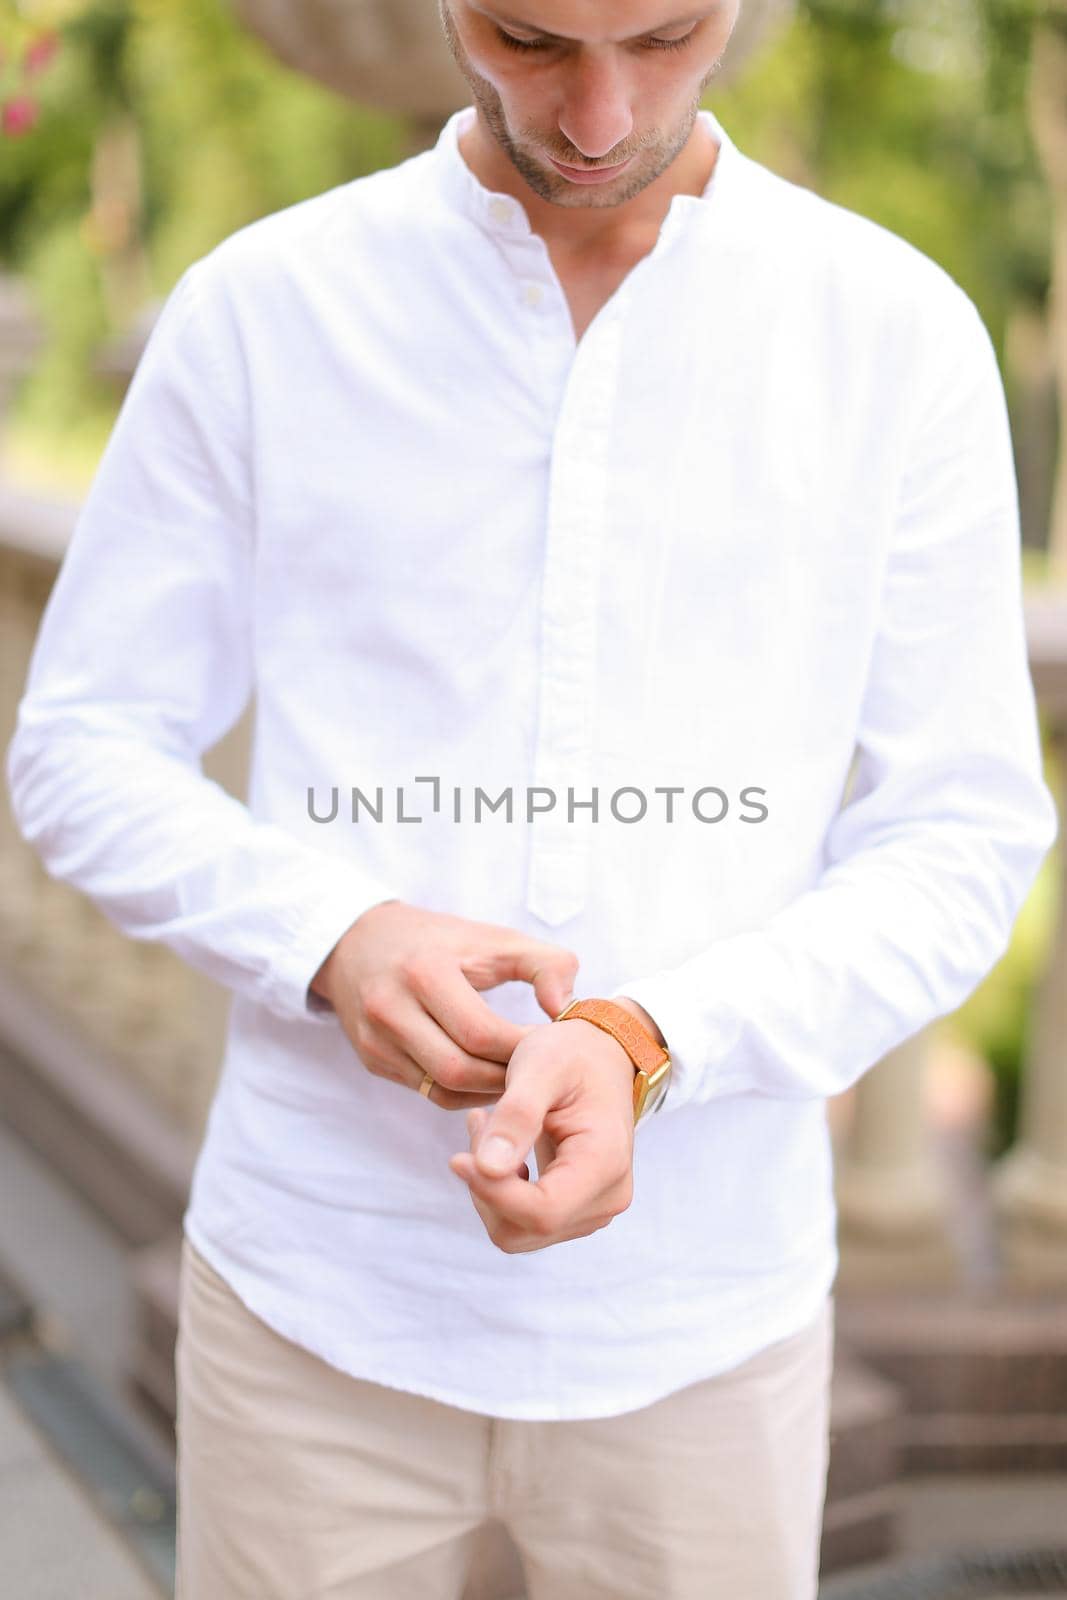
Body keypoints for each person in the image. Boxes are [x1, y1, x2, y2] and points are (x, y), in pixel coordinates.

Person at [5, 1, 1058, 1596]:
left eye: (662, 35)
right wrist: (334, 933)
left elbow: (965, 830)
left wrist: (653, 1046)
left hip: (708, 1338)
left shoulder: (892, 334)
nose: (593, 111)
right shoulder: (266, 310)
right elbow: (81, 745)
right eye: (529, 38)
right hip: (312, 1312)